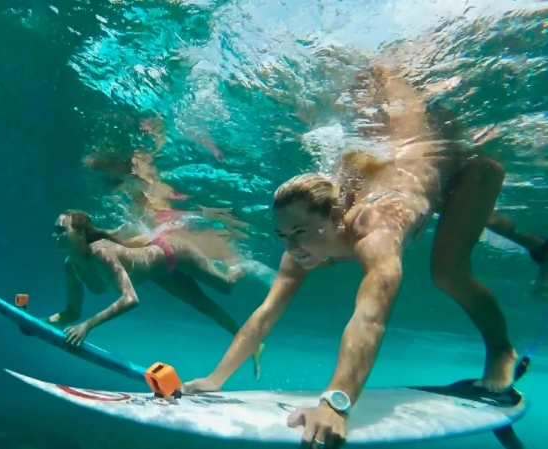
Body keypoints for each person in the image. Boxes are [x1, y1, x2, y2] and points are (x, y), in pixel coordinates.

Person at [181, 66, 532, 449]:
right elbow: (265, 314)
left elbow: (371, 316)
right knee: (471, 226)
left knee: (448, 273)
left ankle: (502, 349)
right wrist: (215, 379)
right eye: (283, 236)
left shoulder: (375, 230)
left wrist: (336, 402)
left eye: (300, 232)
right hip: (428, 182)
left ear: (335, 218)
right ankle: (534, 244)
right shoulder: (300, 251)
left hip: (468, 170)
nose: (292, 247)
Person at [46, 209, 268, 379]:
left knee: (226, 286)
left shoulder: (101, 252)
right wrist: (41, 322)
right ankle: (254, 344)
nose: (54, 235)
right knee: (207, 308)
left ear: (80, 233)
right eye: (55, 231)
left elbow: (130, 299)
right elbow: (72, 312)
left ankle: (242, 266)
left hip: (172, 251)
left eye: (60, 230)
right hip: (162, 274)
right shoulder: (71, 267)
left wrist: (86, 326)